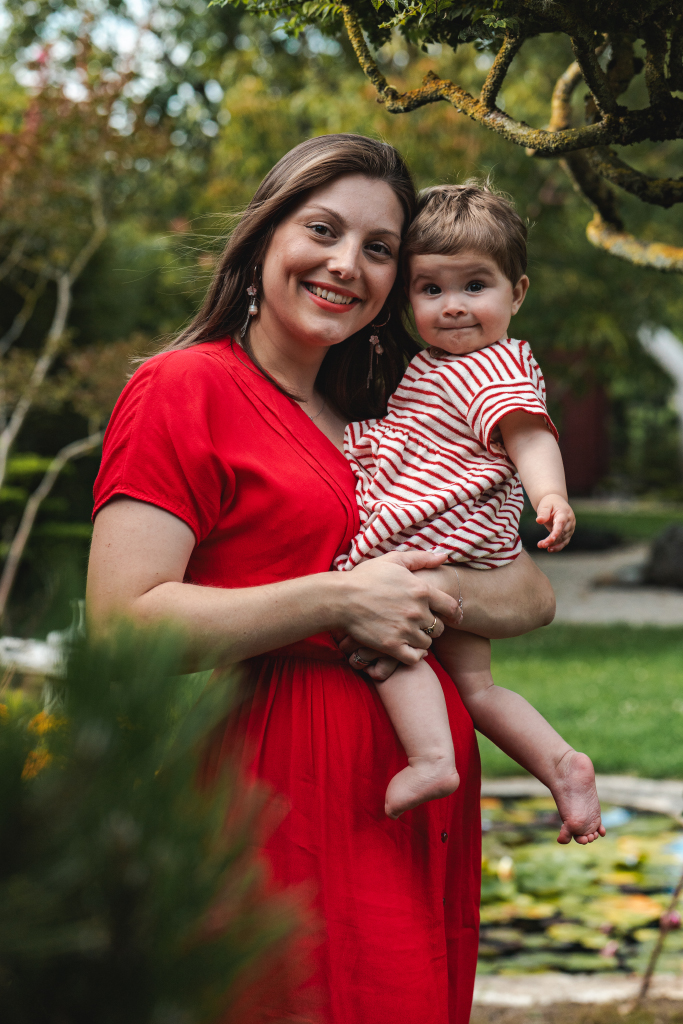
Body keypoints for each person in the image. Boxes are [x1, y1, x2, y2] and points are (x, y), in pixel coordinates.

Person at [87, 135, 558, 1024]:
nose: (347, 264)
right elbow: (122, 629)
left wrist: (424, 593)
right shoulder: (183, 388)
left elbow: (528, 592)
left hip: (410, 803)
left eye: (380, 249)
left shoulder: (378, 415)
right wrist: (339, 598)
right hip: (279, 793)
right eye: (323, 229)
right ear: (265, 237)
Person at [335, 184, 605, 844]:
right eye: (430, 289)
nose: (452, 306)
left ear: (516, 292)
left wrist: (549, 496)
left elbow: (529, 433)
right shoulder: (438, 365)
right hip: (461, 542)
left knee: (387, 641)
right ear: (407, 299)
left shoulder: (491, 366)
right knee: (476, 687)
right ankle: (560, 765)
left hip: (438, 533)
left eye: (474, 285)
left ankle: (431, 759)